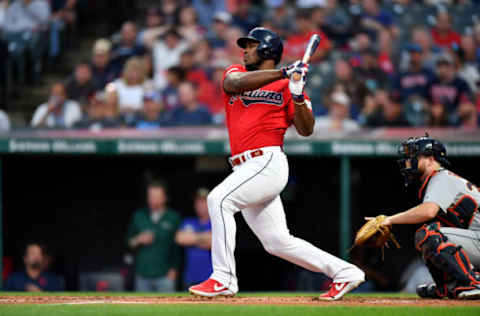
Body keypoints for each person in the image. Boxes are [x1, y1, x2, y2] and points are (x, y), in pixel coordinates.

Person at [188, 27, 364, 300]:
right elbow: (233, 85)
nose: (245, 50)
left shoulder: (287, 85)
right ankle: (345, 272)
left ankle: (223, 278)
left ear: (268, 49)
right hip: (245, 166)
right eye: (245, 45)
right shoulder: (237, 73)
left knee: (219, 200)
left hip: (267, 161)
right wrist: (284, 73)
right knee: (277, 242)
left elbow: (307, 130)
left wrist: (296, 95)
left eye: (251, 45)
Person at [368, 135, 480, 299]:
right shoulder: (439, 180)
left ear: (430, 159)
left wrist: (389, 219)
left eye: (414, 155)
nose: (408, 160)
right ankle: (448, 287)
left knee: (429, 235)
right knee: (429, 235)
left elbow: (428, 211)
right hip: (476, 239)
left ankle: (473, 283)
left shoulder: (441, 177)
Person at [126, 181, 181, 292]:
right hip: (142, 274)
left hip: (165, 274)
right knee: (141, 308)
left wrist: (174, 269)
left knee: (167, 308)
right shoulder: (139, 216)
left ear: (164, 198)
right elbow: (128, 242)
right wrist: (138, 239)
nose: (153, 200)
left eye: (156, 196)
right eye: (151, 196)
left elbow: (177, 247)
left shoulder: (173, 217)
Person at [175, 188, 213, 289]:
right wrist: (204, 237)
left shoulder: (216, 222)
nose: (200, 205)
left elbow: (213, 242)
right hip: (190, 277)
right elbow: (180, 239)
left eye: (203, 202)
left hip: (211, 278)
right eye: (198, 202)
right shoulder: (189, 221)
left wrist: (192, 238)